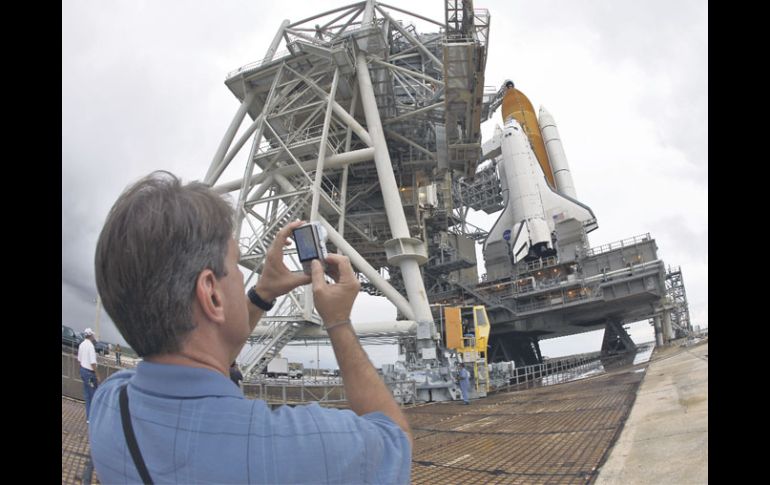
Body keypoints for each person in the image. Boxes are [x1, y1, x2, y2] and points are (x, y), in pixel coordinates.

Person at [89, 171, 412, 484]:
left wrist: (263, 293)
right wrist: (338, 321)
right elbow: (395, 441)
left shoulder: (110, 403)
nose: (244, 277)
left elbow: (204, 351)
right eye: (236, 266)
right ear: (211, 293)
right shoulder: (307, 447)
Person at [77, 327, 99, 423]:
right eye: (93, 335)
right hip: (90, 374)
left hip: (83, 371)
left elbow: (79, 359)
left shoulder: (82, 344)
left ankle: (88, 417)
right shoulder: (90, 346)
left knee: (87, 394)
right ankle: (92, 417)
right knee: (93, 394)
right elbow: (93, 363)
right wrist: (97, 375)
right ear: (91, 335)